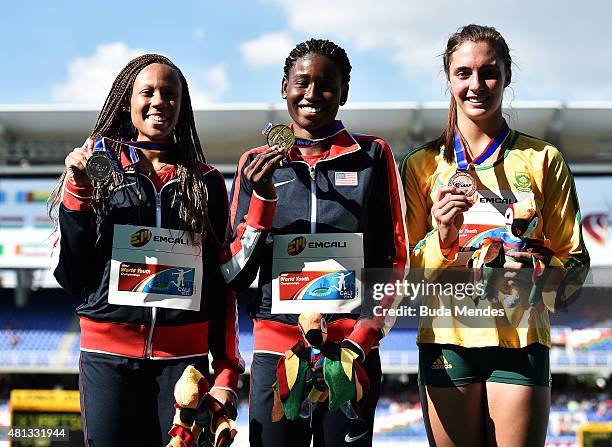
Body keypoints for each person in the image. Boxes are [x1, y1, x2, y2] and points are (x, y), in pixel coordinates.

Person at [400, 25, 590, 446]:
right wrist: (443, 239)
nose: (476, 85)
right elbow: (406, 274)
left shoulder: (543, 159)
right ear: (449, 79)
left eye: (488, 72)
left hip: (520, 337)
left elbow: (575, 260)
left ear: (507, 75)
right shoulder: (420, 165)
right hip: (448, 338)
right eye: (463, 73)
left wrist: (539, 274)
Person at [48, 54, 243, 446]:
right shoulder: (98, 168)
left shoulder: (205, 182)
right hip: (107, 357)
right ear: (127, 101)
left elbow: (221, 286)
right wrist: (79, 191)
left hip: (182, 363)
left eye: (170, 94)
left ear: (182, 105)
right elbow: (72, 273)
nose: (160, 102)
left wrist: (226, 373)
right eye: (148, 92)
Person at [222, 39, 408, 446]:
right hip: (277, 350)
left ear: (344, 92)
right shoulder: (256, 162)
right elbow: (234, 272)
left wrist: (365, 336)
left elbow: (394, 257)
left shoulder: (374, 155)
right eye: (300, 82)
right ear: (283, 86)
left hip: (350, 351)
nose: (311, 94)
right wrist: (262, 201)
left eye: (326, 84)